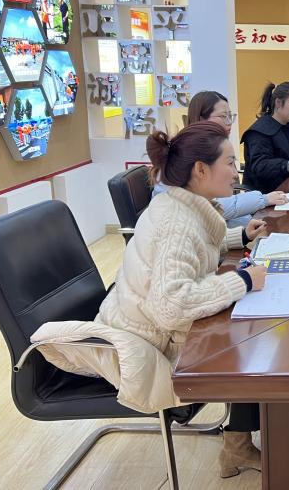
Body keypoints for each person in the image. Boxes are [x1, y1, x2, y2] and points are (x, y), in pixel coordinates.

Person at [96, 121, 270, 478]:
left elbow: (194, 251)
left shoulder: (181, 206)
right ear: (201, 170)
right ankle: (239, 445)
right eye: (229, 162)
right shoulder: (178, 222)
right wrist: (241, 280)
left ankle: (238, 443)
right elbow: (172, 305)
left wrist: (238, 237)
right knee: (254, 339)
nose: (236, 170)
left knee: (251, 330)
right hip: (147, 347)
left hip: (144, 324)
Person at [153, 91, 288, 226]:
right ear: (201, 119)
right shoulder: (187, 153)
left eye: (230, 116)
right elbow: (215, 207)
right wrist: (263, 200)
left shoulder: (209, 147)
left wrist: (245, 231)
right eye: (223, 116)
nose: (229, 122)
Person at [242, 81, 289, 193]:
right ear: (278, 102)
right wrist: (288, 165)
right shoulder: (259, 132)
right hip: (265, 194)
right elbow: (260, 165)